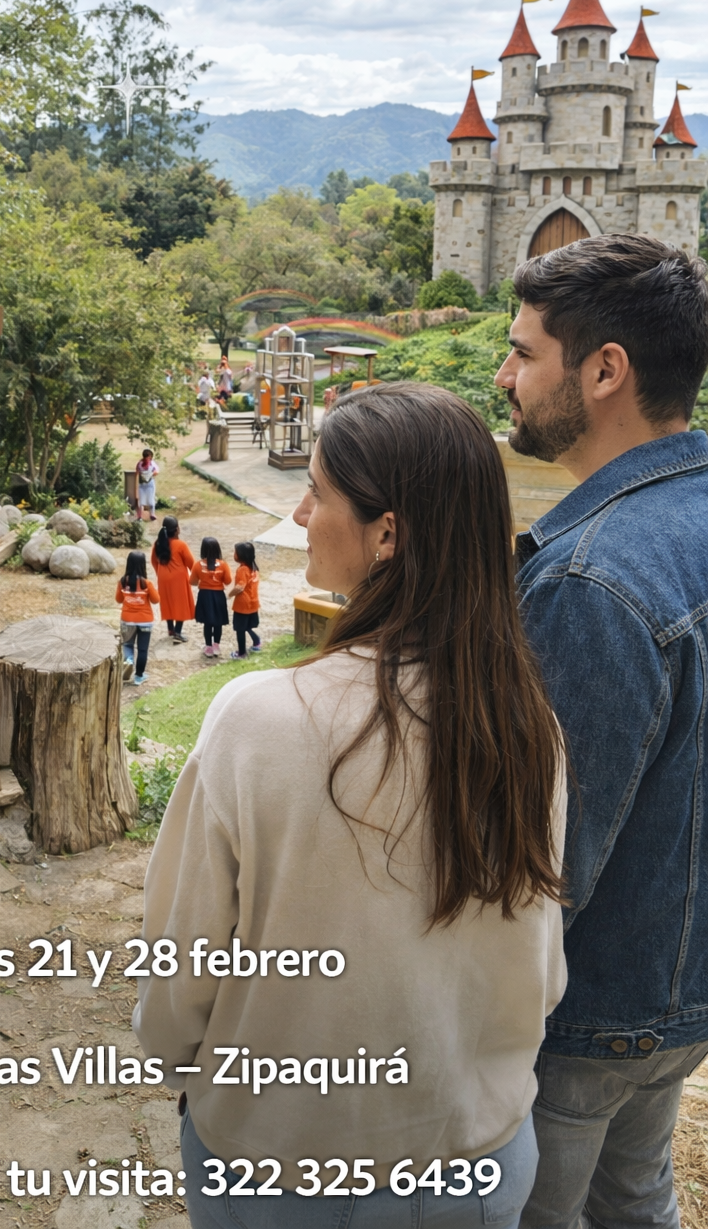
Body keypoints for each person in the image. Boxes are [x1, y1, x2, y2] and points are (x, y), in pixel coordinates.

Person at [135, 383, 567, 1228]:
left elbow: (182, 972)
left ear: (388, 533)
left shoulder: (257, 720)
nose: (298, 514)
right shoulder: (528, 725)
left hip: (278, 1159)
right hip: (472, 1158)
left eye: (319, 492)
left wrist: (183, 1062)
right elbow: (541, 972)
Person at [492, 235, 708, 1229]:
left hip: (588, 1015)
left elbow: (548, 860)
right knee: (637, 1196)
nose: (504, 378)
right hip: (683, 985)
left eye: (523, 353)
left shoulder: (590, 580)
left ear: (603, 369)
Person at [115, 550, 160, 686]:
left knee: (127, 644)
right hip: (145, 621)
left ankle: (128, 661)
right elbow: (156, 600)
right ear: (142, 565)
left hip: (127, 620)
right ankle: (139, 676)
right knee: (142, 649)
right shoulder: (147, 584)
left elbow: (118, 599)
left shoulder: (122, 582)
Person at [151, 517, 195, 642]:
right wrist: (197, 576)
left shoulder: (157, 543)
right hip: (179, 578)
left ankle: (170, 629)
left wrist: (159, 573)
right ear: (176, 530)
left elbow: (154, 561)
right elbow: (191, 563)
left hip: (163, 577)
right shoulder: (181, 545)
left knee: (168, 602)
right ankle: (178, 632)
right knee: (180, 603)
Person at [190, 537, 231, 657]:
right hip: (218, 596)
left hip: (204, 596)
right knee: (218, 622)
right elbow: (228, 581)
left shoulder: (198, 565)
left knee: (207, 622)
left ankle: (208, 647)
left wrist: (203, 580)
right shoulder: (223, 565)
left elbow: (192, 581)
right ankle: (216, 646)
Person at [227, 539, 262, 658]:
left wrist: (229, 595)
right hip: (253, 603)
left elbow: (240, 587)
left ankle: (241, 653)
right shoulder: (254, 568)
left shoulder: (242, 569)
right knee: (247, 626)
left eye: (235, 552)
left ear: (241, 555)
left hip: (243, 605)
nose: (234, 555)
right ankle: (257, 642)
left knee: (240, 629)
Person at [135, 448, 159, 522]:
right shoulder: (140, 464)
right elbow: (136, 473)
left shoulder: (152, 463)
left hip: (150, 484)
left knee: (151, 499)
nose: (148, 458)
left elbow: (157, 471)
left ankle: (152, 514)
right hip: (142, 484)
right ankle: (140, 516)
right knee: (141, 501)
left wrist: (151, 474)